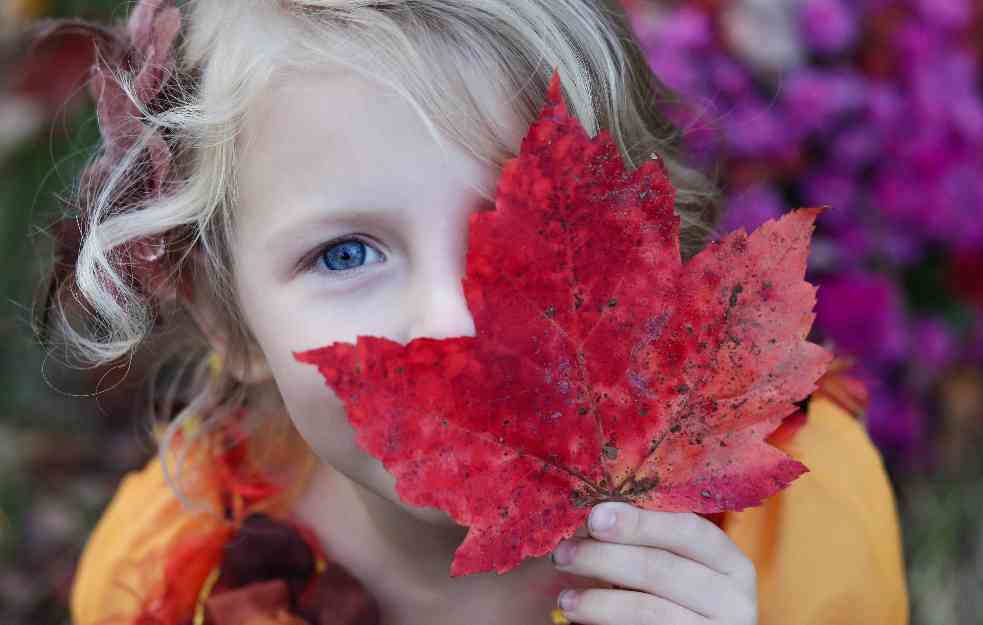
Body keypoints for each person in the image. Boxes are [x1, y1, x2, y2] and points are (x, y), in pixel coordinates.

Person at [30, 1, 909, 624]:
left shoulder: (796, 529)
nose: (453, 326)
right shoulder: (168, 580)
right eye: (345, 254)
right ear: (227, 320)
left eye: (517, 230)